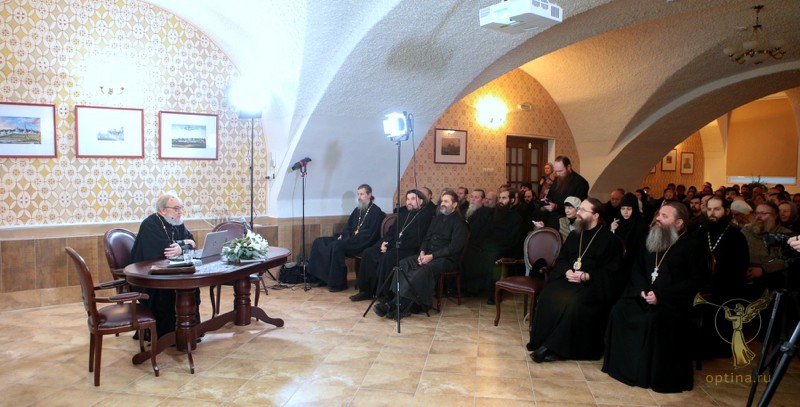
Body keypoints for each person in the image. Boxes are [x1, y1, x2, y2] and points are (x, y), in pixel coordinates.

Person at [603, 202, 709, 393]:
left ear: (679, 223)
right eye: (659, 214)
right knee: (619, 311)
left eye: (664, 216)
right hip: (645, 295)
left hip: (673, 302)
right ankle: (623, 367)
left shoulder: (693, 246)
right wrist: (642, 290)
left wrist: (661, 296)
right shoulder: (653, 237)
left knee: (653, 320)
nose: (658, 218)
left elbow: (695, 281)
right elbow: (637, 267)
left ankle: (644, 374)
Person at [528, 198, 624, 363]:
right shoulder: (575, 234)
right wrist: (567, 270)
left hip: (591, 284)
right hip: (568, 278)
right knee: (548, 295)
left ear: (595, 215)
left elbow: (612, 270)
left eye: (583, 210)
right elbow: (562, 258)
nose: (578, 213)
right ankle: (542, 342)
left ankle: (553, 348)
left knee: (574, 302)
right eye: (579, 209)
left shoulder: (609, 239)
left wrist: (586, 276)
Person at [372, 191, 468, 319]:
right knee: (403, 264)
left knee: (420, 272)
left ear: (455, 204)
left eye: (446, 201)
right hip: (427, 254)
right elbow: (426, 238)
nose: (442, 204)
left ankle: (398, 306)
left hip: (445, 259)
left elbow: (453, 248)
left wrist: (431, 257)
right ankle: (397, 301)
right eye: (441, 201)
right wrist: (422, 251)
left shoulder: (460, 223)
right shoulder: (437, 219)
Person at [130, 193, 198, 338]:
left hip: (171, 271)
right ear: (163, 210)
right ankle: (167, 335)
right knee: (170, 291)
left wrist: (182, 246)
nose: (180, 212)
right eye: (176, 208)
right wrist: (185, 244)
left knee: (191, 287)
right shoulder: (150, 224)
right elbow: (166, 251)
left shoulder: (176, 222)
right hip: (148, 277)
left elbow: (192, 241)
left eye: (181, 208)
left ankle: (189, 330)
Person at [350, 189, 435, 301]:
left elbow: (415, 239)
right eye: (408, 199)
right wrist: (384, 243)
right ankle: (366, 291)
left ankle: (386, 295)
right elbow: (391, 232)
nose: (409, 202)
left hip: (409, 249)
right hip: (393, 245)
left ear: (421, 201)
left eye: (413, 199)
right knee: (368, 253)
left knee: (388, 257)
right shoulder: (403, 214)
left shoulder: (425, 217)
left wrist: (390, 245)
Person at [696, 195, 750, 358]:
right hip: (700, 284)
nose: (712, 213)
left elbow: (740, 267)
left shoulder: (736, 236)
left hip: (727, 287)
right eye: (709, 209)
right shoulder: (699, 233)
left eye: (717, 209)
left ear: (726, 211)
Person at [308, 184, 385, 292]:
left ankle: (338, 284)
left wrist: (349, 239)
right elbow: (348, 226)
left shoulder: (376, 212)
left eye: (362, 194)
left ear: (369, 195)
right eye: (358, 194)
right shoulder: (357, 210)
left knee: (337, 245)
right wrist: (343, 236)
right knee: (319, 242)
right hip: (349, 239)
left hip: (362, 243)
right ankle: (321, 278)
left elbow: (370, 235)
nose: (359, 197)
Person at [462, 189, 523, 300]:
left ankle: (493, 294)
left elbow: (513, 239)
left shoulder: (516, 218)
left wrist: (495, 246)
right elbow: (486, 232)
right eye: (500, 198)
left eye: (504, 198)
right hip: (490, 246)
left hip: (506, 248)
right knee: (471, 252)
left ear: (512, 200)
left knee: (493, 256)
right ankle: (473, 289)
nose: (501, 201)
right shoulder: (492, 213)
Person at [542, 156, 590, 228]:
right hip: (552, 219)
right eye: (556, 171)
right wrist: (547, 200)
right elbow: (550, 195)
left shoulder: (581, 183)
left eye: (560, 171)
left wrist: (557, 207)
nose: (558, 174)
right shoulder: (557, 180)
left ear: (568, 167)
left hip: (569, 222)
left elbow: (578, 205)